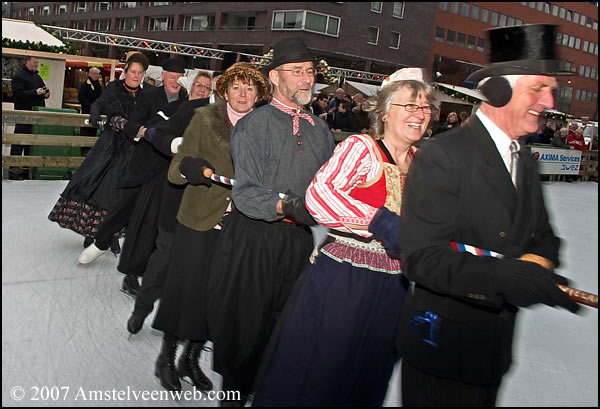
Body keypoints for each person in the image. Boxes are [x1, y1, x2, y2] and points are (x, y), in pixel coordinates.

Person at [396, 24, 580, 407]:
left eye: (552, 91)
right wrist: (507, 277)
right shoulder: (443, 155)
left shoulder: (525, 160)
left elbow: (544, 236)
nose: (549, 101)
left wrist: (535, 267)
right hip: (442, 352)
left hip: (492, 353)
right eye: (538, 88)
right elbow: (422, 258)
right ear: (498, 90)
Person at [252, 68, 433, 406]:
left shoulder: (424, 163)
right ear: (384, 110)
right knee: (321, 370)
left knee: (370, 374)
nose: (418, 114)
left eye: (424, 107)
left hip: (395, 286)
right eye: (410, 105)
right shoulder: (362, 148)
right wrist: (379, 220)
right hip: (345, 279)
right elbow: (319, 196)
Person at [206, 36, 335, 404]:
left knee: (287, 326)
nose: (307, 79)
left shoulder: (320, 130)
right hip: (254, 237)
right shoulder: (255, 125)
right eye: (298, 72)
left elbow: (326, 188)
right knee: (246, 327)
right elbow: (246, 193)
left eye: (310, 72)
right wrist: (287, 206)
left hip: (297, 242)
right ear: (275, 77)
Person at [150, 62, 268, 393]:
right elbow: (176, 169)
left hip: (238, 226)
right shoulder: (204, 119)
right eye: (236, 88)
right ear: (224, 91)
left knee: (215, 297)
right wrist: (189, 166)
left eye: (249, 89)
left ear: (258, 94)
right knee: (185, 292)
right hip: (199, 218)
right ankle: (167, 357)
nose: (243, 95)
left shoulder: (264, 127)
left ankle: (191, 358)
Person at [78, 58, 188, 298]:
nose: (175, 81)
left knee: (151, 225)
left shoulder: (187, 101)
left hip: (167, 171)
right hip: (142, 162)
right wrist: (142, 131)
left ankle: (133, 275)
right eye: (171, 76)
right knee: (122, 207)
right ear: (164, 76)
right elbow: (132, 122)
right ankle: (101, 240)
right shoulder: (149, 96)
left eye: (179, 77)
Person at [125, 70, 215, 337]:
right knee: (165, 255)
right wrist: (177, 144)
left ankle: (182, 326)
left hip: (210, 205)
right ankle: (142, 307)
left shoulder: (240, 119)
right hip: (178, 194)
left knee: (197, 266)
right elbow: (160, 133)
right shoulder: (192, 109)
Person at [48, 52, 149, 252]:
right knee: (96, 187)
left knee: (120, 194)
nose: (136, 76)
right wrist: (94, 113)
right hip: (110, 146)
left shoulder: (145, 95)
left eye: (140, 73)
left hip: (132, 149)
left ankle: (111, 234)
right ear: (126, 72)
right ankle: (90, 232)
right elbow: (100, 103)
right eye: (133, 72)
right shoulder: (114, 88)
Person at [10, 55, 50, 180]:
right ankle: (14, 169)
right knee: (20, 141)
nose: (36, 65)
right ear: (27, 62)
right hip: (24, 113)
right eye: (34, 62)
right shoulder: (19, 76)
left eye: (37, 63)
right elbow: (18, 94)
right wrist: (35, 92)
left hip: (37, 114)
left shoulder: (37, 76)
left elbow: (42, 89)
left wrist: (46, 93)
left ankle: (28, 167)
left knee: (32, 142)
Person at [78, 67, 104, 155]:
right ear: (89, 74)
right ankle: (84, 151)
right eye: (94, 73)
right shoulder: (85, 85)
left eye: (97, 74)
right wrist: (91, 106)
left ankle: (91, 151)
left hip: (95, 114)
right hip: (87, 113)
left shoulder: (99, 86)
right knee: (85, 131)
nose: (96, 75)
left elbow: (101, 98)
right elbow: (81, 98)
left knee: (93, 131)